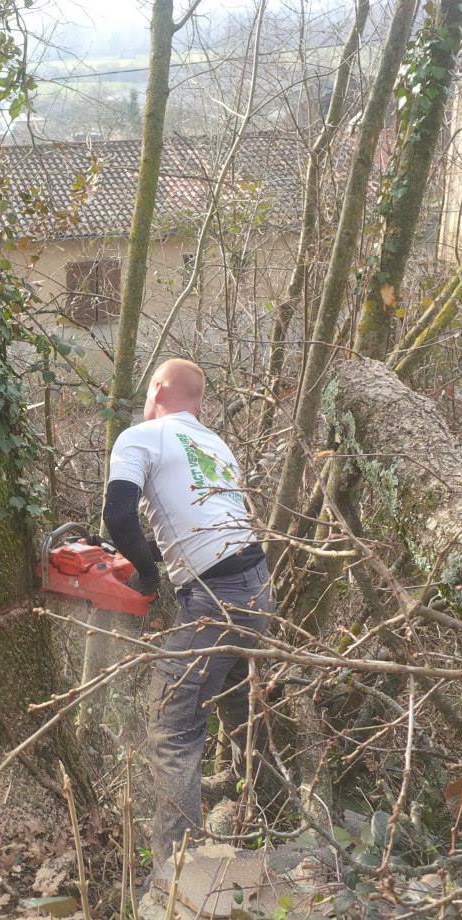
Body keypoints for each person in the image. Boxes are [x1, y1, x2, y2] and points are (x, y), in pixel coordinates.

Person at [103, 358, 273, 864]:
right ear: (198, 401)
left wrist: (148, 579)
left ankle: (176, 871)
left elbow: (118, 513)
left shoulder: (141, 436)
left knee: (173, 724)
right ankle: (267, 823)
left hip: (215, 596)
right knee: (240, 709)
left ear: (156, 387)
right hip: (259, 588)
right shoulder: (214, 445)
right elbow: (204, 525)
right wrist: (151, 554)